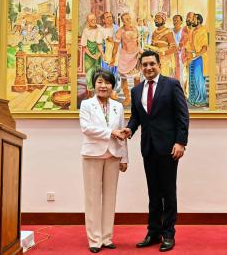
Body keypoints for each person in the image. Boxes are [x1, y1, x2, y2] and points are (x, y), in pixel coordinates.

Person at [121, 51, 189, 252]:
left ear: (159, 64)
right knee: (153, 192)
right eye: (145, 65)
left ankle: (168, 234)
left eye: (152, 64)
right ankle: (153, 232)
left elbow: (182, 116)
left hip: (169, 148)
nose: (148, 68)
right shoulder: (136, 90)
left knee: (168, 192)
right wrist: (129, 129)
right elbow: (137, 118)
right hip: (148, 147)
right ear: (140, 68)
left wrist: (180, 142)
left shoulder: (171, 85)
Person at [79, 69, 128, 253]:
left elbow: (121, 133)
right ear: (94, 84)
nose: (103, 86)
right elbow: (86, 128)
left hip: (113, 155)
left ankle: (107, 237)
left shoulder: (118, 106)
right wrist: (110, 133)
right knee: (92, 199)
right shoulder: (86, 104)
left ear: (112, 86)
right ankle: (94, 240)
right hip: (92, 154)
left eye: (107, 83)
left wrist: (124, 157)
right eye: (100, 82)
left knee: (110, 198)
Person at [112, 13, 142, 106]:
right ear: (123, 21)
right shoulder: (120, 31)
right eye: (126, 19)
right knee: (124, 78)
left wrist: (141, 52)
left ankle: (137, 98)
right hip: (124, 57)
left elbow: (138, 43)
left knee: (137, 78)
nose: (128, 20)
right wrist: (113, 58)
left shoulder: (135, 29)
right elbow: (115, 47)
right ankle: (127, 98)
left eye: (129, 18)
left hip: (135, 55)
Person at [145, 12, 177, 78]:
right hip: (155, 60)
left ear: (163, 20)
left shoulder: (168, 32)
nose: (156, 20)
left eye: (158, 18)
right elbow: (153, 46)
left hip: (165, 60)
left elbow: (174, 48)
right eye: (155, 19)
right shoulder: (154, 32)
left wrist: (162, 53)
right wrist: (148, 49)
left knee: (164, 80)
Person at [185, 13, 207, 106]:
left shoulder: (203, 30)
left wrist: (194, 54)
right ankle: (192, 99)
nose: (192, 21)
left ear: (198, 20)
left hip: (199, 58)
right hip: (191, 58)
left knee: (198, 79)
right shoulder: (193, 30)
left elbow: (204, 48)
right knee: (191, 78)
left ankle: (201, 100)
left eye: (193, 19)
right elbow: (189, 44)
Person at [81, 13, 104, 97]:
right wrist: (92, 55)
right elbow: (84, 47)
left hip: (98, 53)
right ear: (88, 21)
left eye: (94, 19)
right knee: (89, 73)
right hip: (89, 56)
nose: (94, 21)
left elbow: (101, 42)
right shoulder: (85, 30)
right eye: (91, 20)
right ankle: (89, 93)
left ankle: (99, 92)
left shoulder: (100, 28)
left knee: (98, 73)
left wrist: (99, 54)